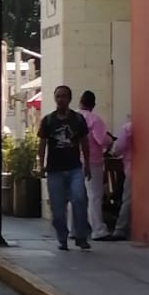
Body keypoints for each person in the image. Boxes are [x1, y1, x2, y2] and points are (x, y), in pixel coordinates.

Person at [38, 85, 91, 251]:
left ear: (69, 99)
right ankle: (62, 237)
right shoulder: (48, 120)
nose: (61, 99)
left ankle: (81, 236)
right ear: (55, 99)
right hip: (54, 170)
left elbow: (84, 142)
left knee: (79, 200)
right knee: (57, 208)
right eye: (58, 96)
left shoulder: (78, 119)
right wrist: (41, 164)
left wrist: (87, 164)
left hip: (75, 168)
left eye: (64, 96)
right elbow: (42, 143)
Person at [79, 90, 113, 240]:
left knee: (76, 196)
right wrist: (110, 140)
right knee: (94, 196)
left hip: (74, 161)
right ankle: (98, 230)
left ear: (80, 102)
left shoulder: (74, 117)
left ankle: (73, 229)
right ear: (93, 105)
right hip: (93, 161)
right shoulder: (95, 120)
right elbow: (101, 140)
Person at [106, 115, 132, 241]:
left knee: (127, 198)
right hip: (144, 167)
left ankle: (120, 229)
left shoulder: (128, 127)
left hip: (131, 167)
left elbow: (118, 148)